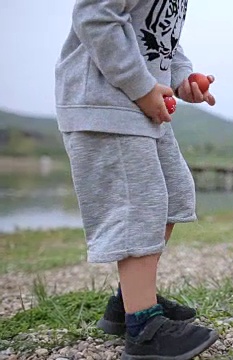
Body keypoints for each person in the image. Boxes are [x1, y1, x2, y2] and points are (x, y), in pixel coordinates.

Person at [55, 1, 218, 358]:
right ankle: (144, 328)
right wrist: (142, 86)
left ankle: (128, 300)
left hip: (144, 109)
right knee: (138, 210)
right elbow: (95, 16)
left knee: (174, 196)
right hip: (108, 104)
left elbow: (160, 40)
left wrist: (182, 77)